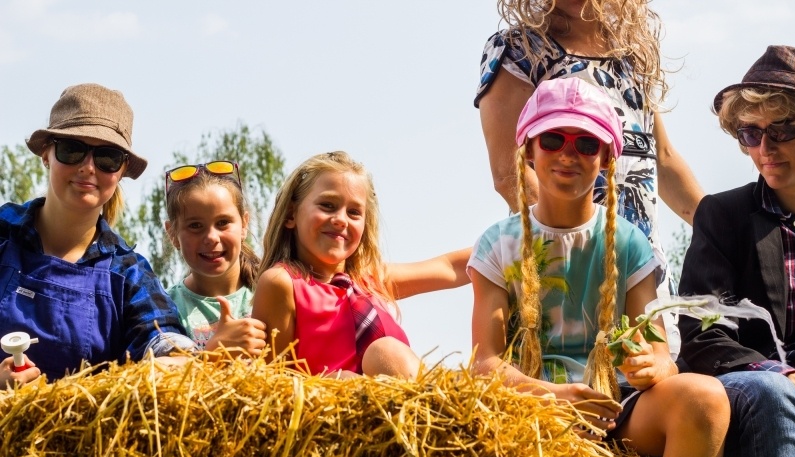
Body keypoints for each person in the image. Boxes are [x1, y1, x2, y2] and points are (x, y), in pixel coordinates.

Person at [470, 77, 728, 457]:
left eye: (587, 144)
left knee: (706, 398)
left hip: (618, 409)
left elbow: (661, 353)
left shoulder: (630, 244)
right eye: (553, 139)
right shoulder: (498, 244)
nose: (568, 153)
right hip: (528, 411)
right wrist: (559, 398)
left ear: (608, 158)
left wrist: (653, 366)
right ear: (528, 150)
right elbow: (485, 364)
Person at [475, 0, 705, 352]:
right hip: (565, 270)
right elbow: (510, 172)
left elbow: (663, 158)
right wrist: (583, 252)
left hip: (641, 264)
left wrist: (723, 231)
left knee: (652, 375)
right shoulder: (519, 51)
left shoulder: (631, 55)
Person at [678, 45, 795, 457]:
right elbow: (702, 337)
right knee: (773, 391)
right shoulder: (722, 216)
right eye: (751, 133)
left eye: (783, 130)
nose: (765, 149)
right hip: (754, 385)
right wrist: (785, 374)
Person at [0, 83, 195, 387]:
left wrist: (183, 355)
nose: (88, 167)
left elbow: (164, 342)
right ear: (45, 154)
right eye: (72, 150)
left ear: (121, 171)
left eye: (107, 158)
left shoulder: (128, 272)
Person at [252, 151, 470, 379]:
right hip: (332, 406)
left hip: (400, 404)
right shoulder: (282, 283)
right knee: (366, 363)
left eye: (354, 212)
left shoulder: (370, 279)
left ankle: (435, 401)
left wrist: (505, 244)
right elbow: (274, 378)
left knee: (386, 351)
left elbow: (449, 267)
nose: (341, 219)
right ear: (291, 214)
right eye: (327, 205)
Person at [164, 160, 267, 357]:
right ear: (173, 234)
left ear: (244, 225)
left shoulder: (272, 290)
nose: (211, 238)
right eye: (195, 226)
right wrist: (214, 353)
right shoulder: (165, 308)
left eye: (223, 222)